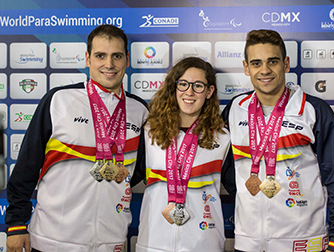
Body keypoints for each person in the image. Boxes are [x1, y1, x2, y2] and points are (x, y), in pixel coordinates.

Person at [5, 24, 148, 252]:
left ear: (127, 60)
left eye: (117, 56)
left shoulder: (140, 111)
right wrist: (15, 224)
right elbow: (26, 166)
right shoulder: (59, 100)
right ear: (87, 59)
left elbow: (141, 169)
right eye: (100, 55)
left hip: (111, 241)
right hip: (52, 240)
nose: (109, 64)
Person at [222, 29, 334, 252]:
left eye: (272, 61)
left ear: (286, 64)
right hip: (248, 243)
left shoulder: (314, 110)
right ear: (246, 68)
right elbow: (225, 168)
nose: (264, 70)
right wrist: (249, 201)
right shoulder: (236, 108)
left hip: (303, 243)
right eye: (256, 63)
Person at [131, 57, 235, 252]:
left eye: (198, 85)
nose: (189, 92)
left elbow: (240, 191)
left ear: (209, 91)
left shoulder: (222, 137)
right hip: (153, 242)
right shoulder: (149, 132)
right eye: (183, 84)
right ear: (173, 87)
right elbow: (126, 179)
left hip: (204, 244)